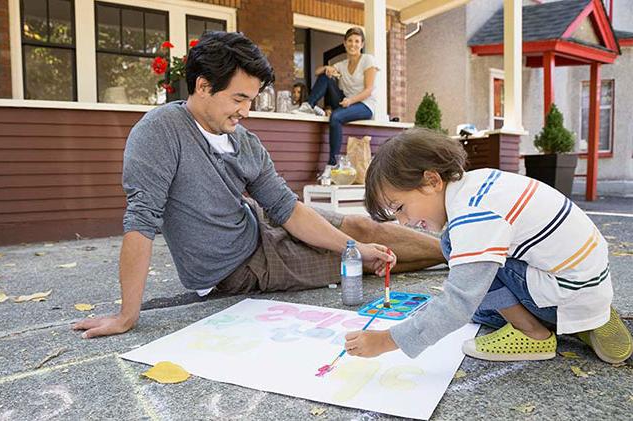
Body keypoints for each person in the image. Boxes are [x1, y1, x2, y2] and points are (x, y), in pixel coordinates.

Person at [72, 32, 445, 340]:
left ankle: (461, 249)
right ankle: (461, 258)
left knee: (363, 229)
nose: (246, 111)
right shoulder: (159, 133)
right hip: (241, 268)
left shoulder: (243, 140)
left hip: (259, 225)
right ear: (203, 86)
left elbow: (286, 207)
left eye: (250, 99)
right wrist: (127, 315)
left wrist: (355, 244)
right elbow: (141, 221)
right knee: (358, 264)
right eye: (238, 98)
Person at [344, 128, 633, 364]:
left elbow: (457, 303)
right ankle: (589, 317)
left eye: (401, 207)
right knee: (480, 308)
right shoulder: (478, 184)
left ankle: (533, 333)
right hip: (586, 281)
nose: (404, 222)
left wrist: (386, 341)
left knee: (463, 281)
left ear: (432, 180)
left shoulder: (472, 217)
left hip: (567, 290)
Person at [296, 27, 378, 171]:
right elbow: (317, 72)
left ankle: (332, 163)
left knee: (335, 117)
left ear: (362, 44)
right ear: (345, 43)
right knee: (325, 76)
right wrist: (328, 68)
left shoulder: (367, 60)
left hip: (364, 104)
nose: (353, 44)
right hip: (345, 101)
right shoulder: (341, 64)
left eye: (357, 41)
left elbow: (369, 90)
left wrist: (350, 101)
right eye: (350, 41)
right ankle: (309, 105)